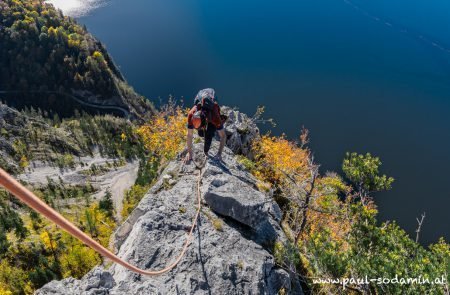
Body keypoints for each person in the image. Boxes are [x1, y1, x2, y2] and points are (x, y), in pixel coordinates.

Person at [184, 88, 226, 163]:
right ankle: (203, 132)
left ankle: (206, 148)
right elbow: (189, 135)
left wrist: (219, 154)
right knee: (201, 134)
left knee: (209, 133)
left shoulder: (214, 116)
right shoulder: (191, 114)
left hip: (211, 106)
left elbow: (223, 136)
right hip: (202, 98)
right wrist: (189, 153)